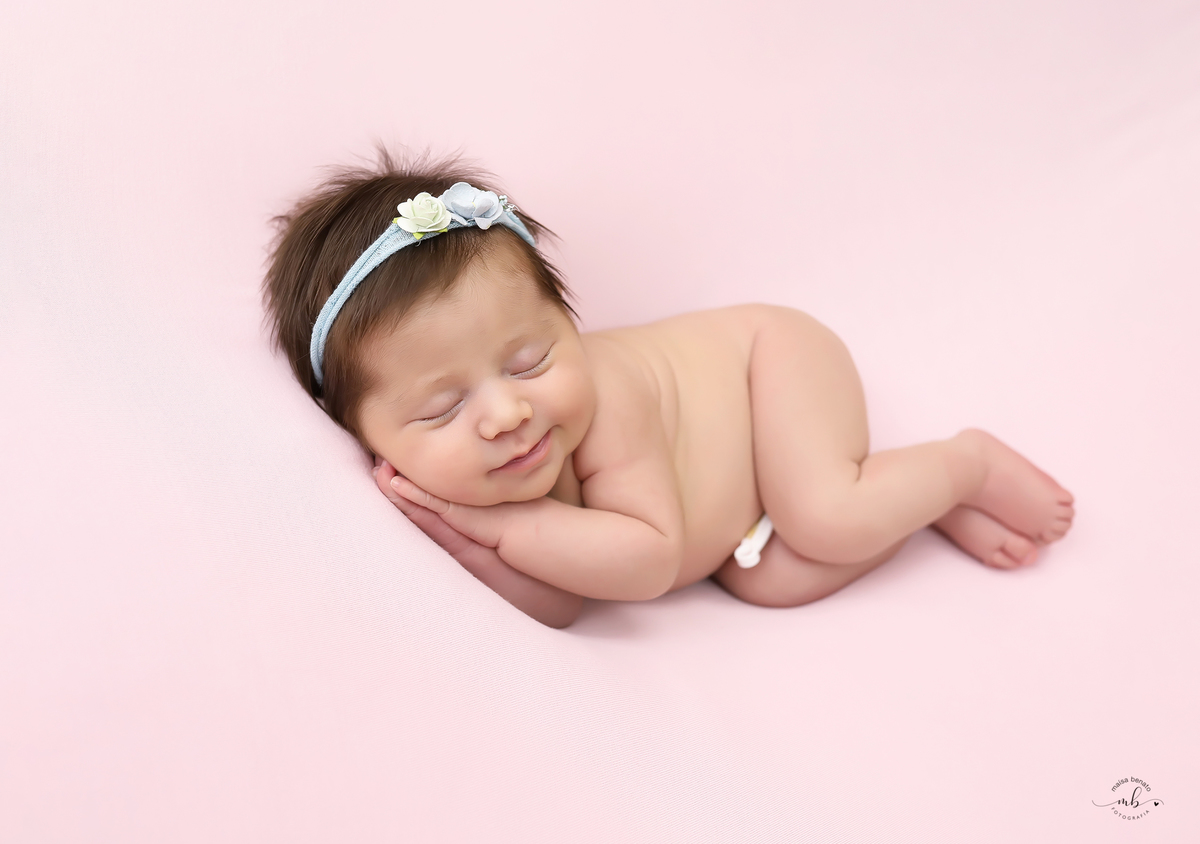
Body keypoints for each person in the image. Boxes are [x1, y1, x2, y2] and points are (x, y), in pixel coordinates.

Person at [262, 151, 1075, 629]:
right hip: (734, 534)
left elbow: (648, 560)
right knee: (771, 581)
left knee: (824, 516)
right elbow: (563, 603)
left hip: (769, 367)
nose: (509, 412)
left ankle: (965, 464)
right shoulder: (471, 478)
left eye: (532, 360)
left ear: (567, 321)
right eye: (442, 409)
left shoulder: (606, 398)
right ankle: (918, 501)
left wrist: (495, 527)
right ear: (366, 435)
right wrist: (468, 541)